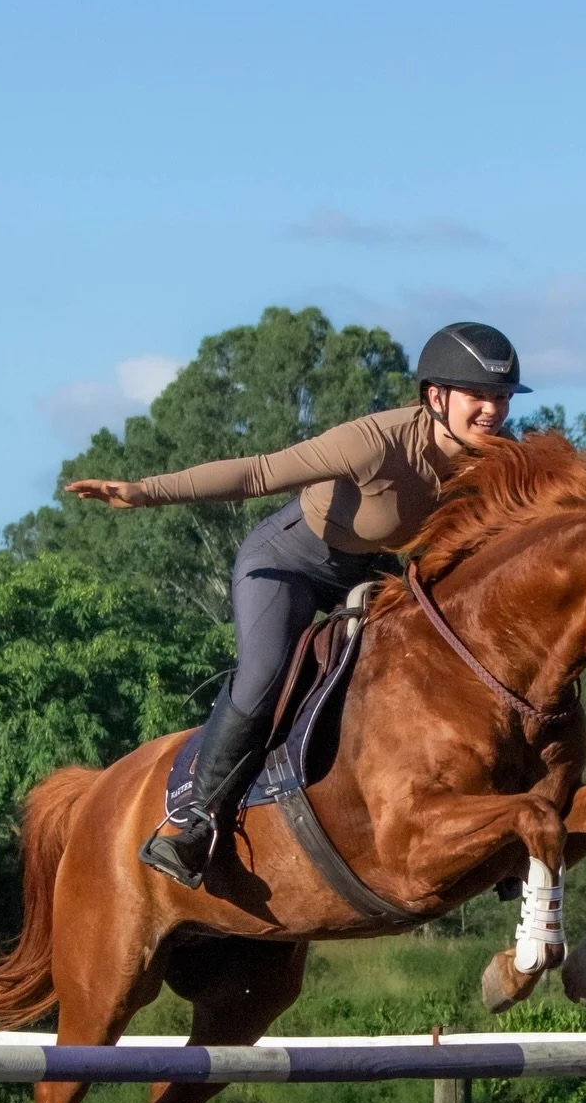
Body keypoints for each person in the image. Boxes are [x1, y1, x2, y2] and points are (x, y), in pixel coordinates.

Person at [67, 322, 531, 888]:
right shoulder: (374, 441)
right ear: (435, 397)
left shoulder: (501, 460)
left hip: (372, 570)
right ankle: (194, 824)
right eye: (479, 397)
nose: (493, 411)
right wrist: (144, 491)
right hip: (289, 561)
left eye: (502, 398)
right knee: (265, 674)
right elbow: (259, 472)